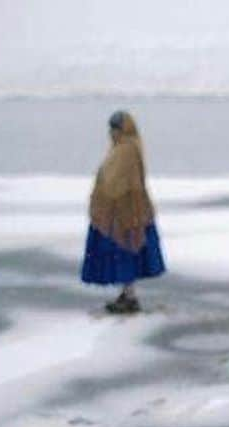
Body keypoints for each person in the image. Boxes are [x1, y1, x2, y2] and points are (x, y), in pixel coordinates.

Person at [81, 110, 166, 313]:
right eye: (111, 128)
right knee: (125, 255)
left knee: (125, 254)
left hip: (126, 212)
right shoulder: (124, 148)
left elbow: (120, 181)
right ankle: (127, 294)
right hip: (123, 212)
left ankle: (129, 297)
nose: (112, 133)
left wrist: (106, 195)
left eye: (115, 128)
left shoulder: (127, 150)